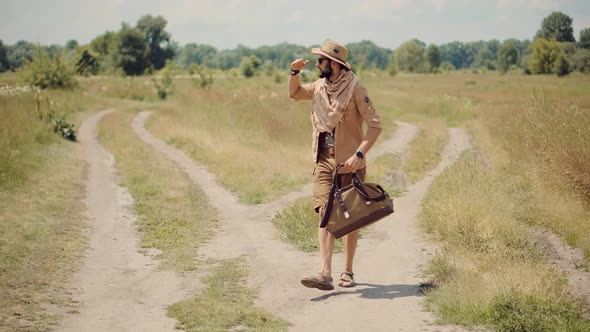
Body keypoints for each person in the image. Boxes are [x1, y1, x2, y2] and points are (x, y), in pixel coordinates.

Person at [288, 39, 382, 290]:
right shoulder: (319, 87)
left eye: (321, 60)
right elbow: (295, 93)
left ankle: (348, 271)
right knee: (324, 213)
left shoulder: (355, 89)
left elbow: (375, 125)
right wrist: (294, 72)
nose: (318, 64)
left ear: (335, 64)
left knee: (350, 217)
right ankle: (324, 273)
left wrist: (359, 155)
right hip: (323, 160)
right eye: (318, 60)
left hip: (350, 164)